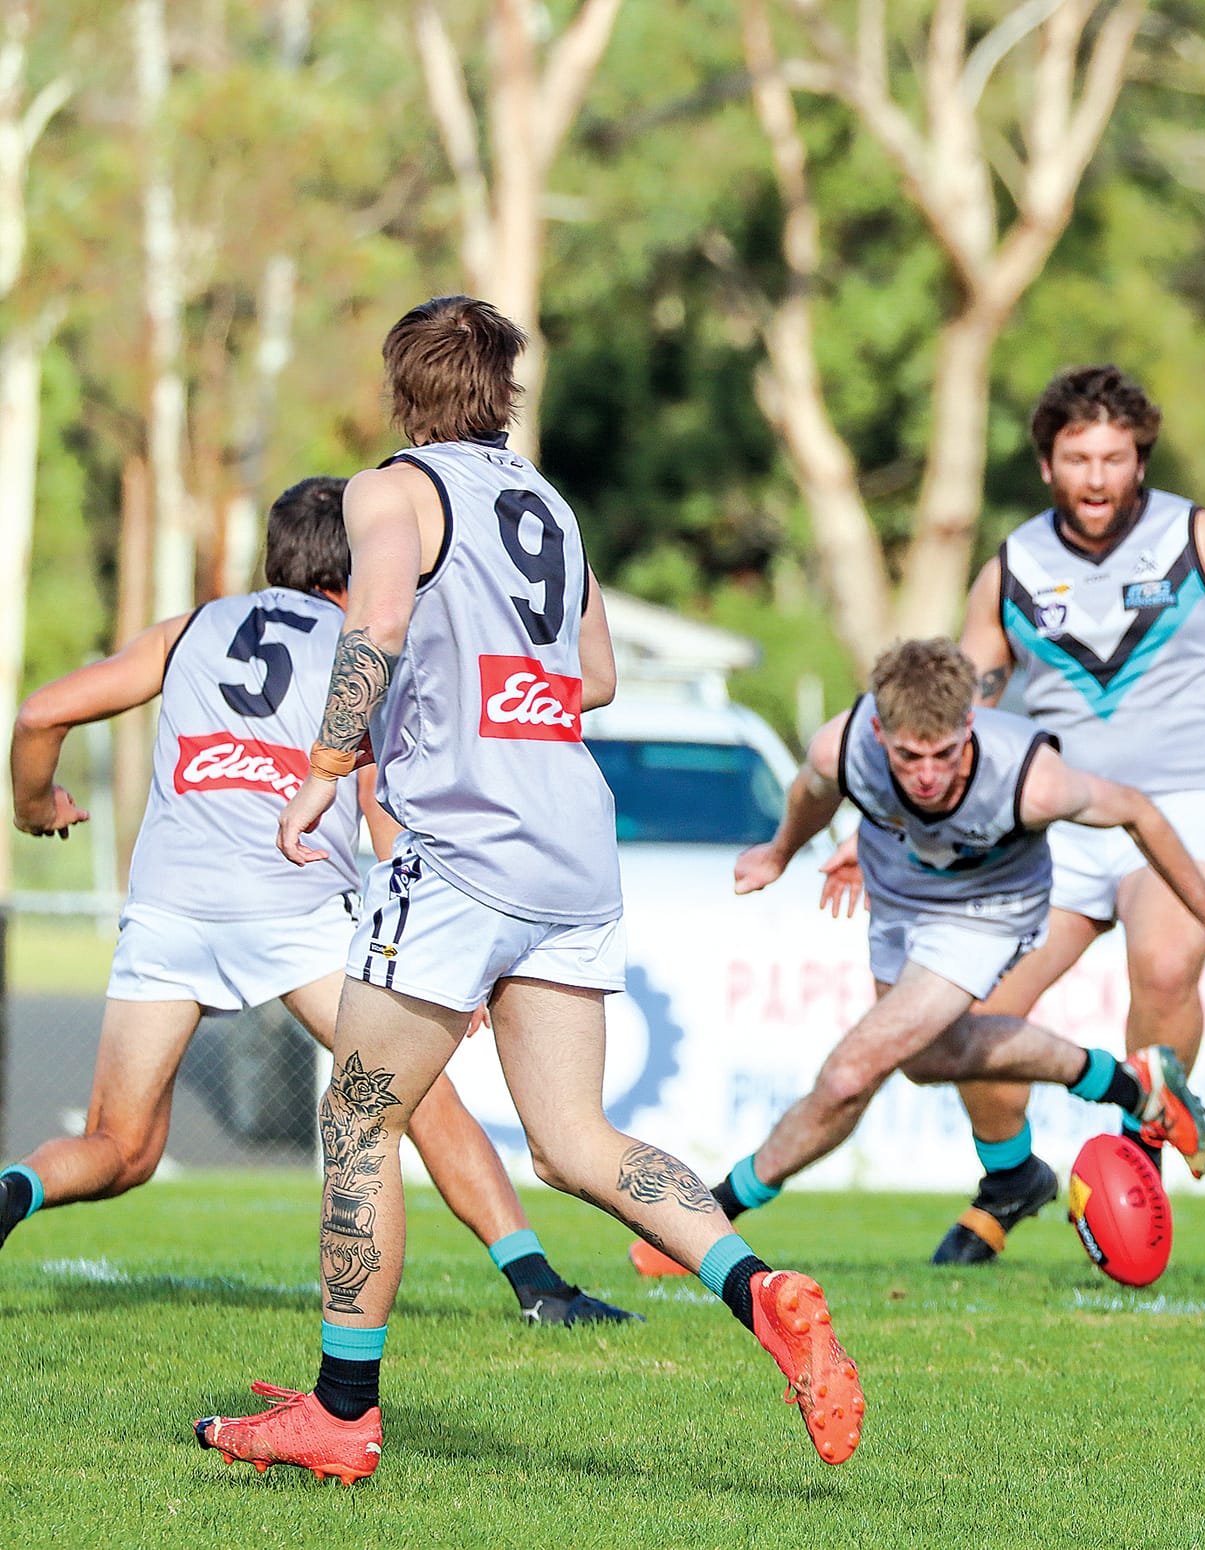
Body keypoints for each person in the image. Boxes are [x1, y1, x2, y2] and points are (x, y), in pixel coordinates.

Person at [192, 296, 863, 1485]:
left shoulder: (388, 489)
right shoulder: (545, 502)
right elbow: (593, 673)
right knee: (574, 1139)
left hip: (461, 848)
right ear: (505, 393)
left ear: (403, 390)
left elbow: (380, 619)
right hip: (568, 844)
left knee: (356, 1117)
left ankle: (343, 1411)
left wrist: (328, 766)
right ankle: (758, 1289)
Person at [3, 475, 631, 1327]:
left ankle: (15, 1187)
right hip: (290, 904)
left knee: (119, 1147)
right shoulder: (360, 641)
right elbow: (377, 798)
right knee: (412, 1095)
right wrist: (436, 934)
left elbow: (41, 712)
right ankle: (540, 1287)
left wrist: (35, 807)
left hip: (169, 904)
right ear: (360, 562)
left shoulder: (189, 629)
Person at [922, 364, 1205, 1263]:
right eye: (1077, 458)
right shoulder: (1014, 565)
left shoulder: (1201, 538)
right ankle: (1010, 1175)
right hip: (1063, 815)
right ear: (1047, 466)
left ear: (1140, 459)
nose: (1097, 477)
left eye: (1114, 457)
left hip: (1191, 801)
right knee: (969, 1013)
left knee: (1168, 960)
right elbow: (966, 700)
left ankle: (1133, 1168)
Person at [706, 638, 1205, 1233]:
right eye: (907, 757)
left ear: (969, 725)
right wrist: (779, 853)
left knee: (852, 1071)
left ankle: (713, 1217)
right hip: (899, 897)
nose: (926, 776)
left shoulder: (1032, 781)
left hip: (987, 910)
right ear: (878, 731)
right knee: (925, 1062)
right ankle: (1127, 1084)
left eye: (944, 755)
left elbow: (1138, 811)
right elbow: (812, 792)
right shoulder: (838, 747)